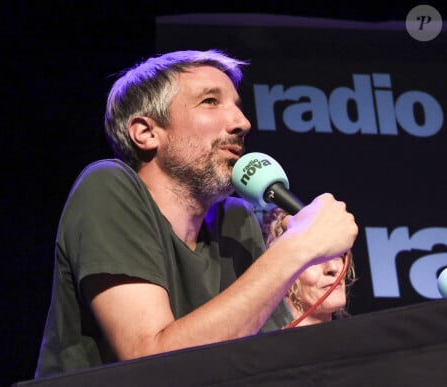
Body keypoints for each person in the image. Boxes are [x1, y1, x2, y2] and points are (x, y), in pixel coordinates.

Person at [35, 49, 358, 377]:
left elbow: (264, 364)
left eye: (237, 106)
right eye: (210, 102)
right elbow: (152, 363)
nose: (241, 123)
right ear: (146, 132)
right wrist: (297, 248)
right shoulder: (107, 186)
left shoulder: (235, 221)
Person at [261, 207, 357, 326]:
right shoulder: (260, 343)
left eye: (336, 254)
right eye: (314, 260)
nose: (333, 268)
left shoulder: (362, 341)